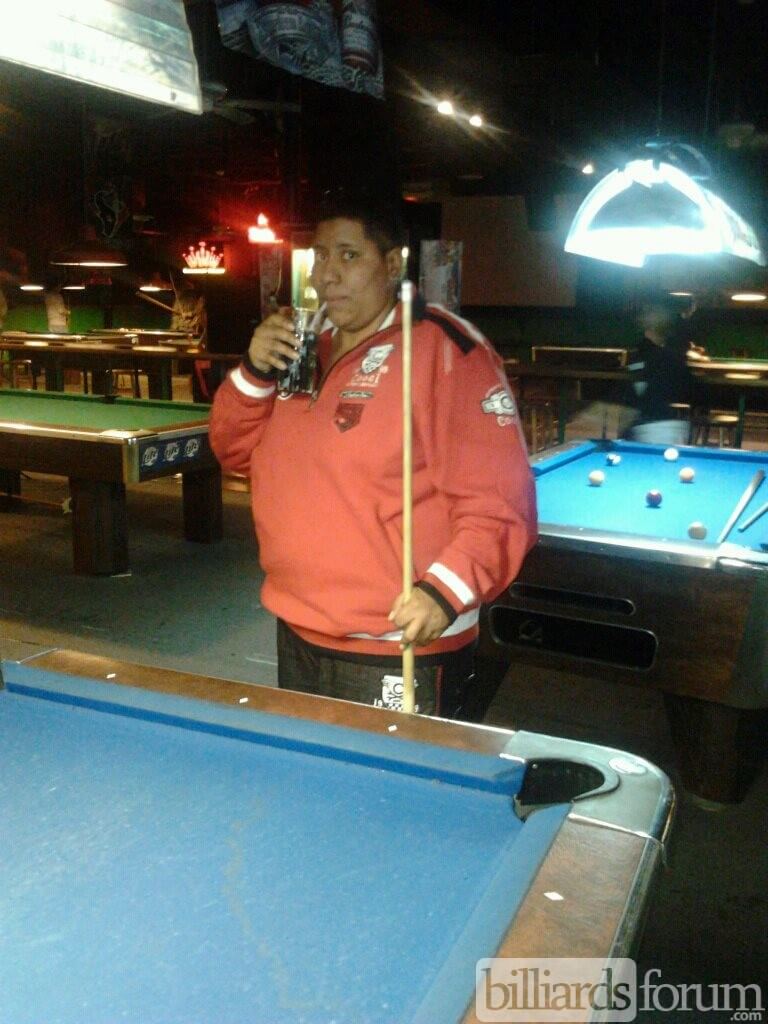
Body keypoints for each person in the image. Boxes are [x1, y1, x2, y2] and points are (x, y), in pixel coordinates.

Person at [209, 196, 537, 719]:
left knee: (396, 776)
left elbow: (500, 501)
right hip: (298, 625)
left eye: (348, 255)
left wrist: (443, 593)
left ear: (390, 264)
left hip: (398, 641)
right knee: (312, 765)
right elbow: (233, 451)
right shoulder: (300, 348)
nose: (327, 274)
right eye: (321, 256)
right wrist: (254, 373)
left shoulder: (446, 350)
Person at [622, 293, 696, 444]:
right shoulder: (669, 357)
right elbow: (690, 389)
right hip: (662, 428)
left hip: (640, 427)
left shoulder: (638, 354)